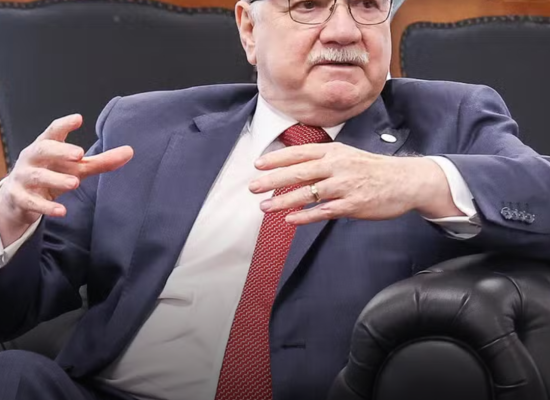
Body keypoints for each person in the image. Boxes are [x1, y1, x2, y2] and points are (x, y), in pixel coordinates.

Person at [0, 0, 548, 399]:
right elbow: (21, 305)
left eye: (366, 5)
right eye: (308, 5)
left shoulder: (451, 120)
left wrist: (415, 181)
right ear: (248, 29)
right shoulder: (144, 126)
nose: (344, 29)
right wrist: (10, 220)